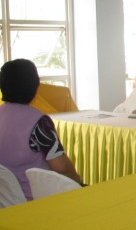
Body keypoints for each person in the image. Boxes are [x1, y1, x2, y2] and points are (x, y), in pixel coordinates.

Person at [0, 59, 81, 200]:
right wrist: (78, 181)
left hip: (5, 199)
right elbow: (61, 168)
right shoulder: (39, 122)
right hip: (36, 198)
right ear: (34, 86)